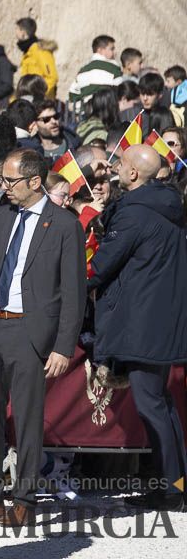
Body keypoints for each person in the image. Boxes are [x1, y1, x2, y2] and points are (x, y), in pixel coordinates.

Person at [0, 148, 86, 526]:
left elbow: (74, 293)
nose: (4, 186)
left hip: (30, 332)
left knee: (28, 422)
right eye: (3, 179)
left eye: (11, 180)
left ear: (35, 181)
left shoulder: (64, 225)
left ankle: (24, 501)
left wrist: (63, 347)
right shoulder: (1, 215)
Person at [88, 144, 187, 511]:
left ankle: (171, 490)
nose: (115, 167)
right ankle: (177, 484)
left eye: (121, 163)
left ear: (133, 174)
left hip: (142, 323)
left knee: (152, 406)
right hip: (159, 319)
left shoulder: (135, 212)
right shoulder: (165, 204)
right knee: (162, 404)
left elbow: (101, 266)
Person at [68, 34, 121, 108]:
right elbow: (121, 92)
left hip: (85, 111)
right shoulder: (113, 69)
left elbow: (72, 94)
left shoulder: (82, 71)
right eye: (111, 49)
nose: (115, 52)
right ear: (100, 50)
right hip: (106, 110)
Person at [15, 17, 57, 97]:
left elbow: (52, 78)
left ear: (23, 32)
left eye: (17, 29)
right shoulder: (28, 52)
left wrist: (39, 97)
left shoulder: (40, 51)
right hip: (29, 99)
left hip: (40, 101)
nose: (15, 33)